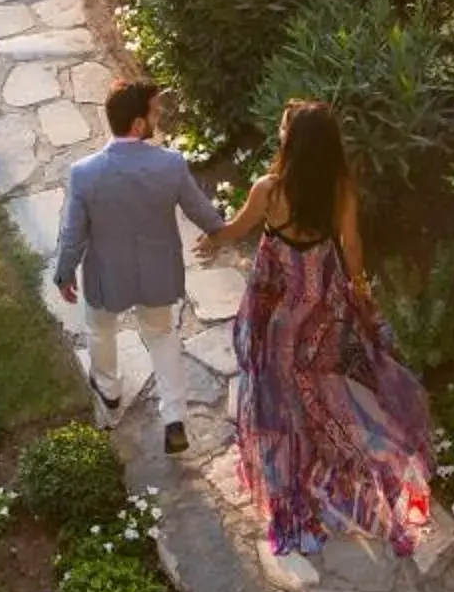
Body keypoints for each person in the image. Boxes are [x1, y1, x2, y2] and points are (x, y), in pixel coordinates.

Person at [195, 100, 433, 558]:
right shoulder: (339, 188)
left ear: (295, 141)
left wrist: (212, 237)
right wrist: (360, 290)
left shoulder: (270, 189)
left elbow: (238, 228)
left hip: (277, 307)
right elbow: (352, 244)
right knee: (316, 379)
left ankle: (287, 471)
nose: (280, 132)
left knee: (277, 385)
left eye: (284, 128)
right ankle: (335, 454)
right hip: (321, 302)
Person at [53, 80, 223, 453]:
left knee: (100, 329)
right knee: (161, 335)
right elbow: (201, 210)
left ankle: (110, 391)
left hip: (106, 272)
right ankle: (174, 417)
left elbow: (73, 232)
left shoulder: (85, 173)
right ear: (137, 125)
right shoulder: (171, 165)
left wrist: (64, 273)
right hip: (156, 272)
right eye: (155, 111)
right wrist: (218, 232)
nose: (159, 116)